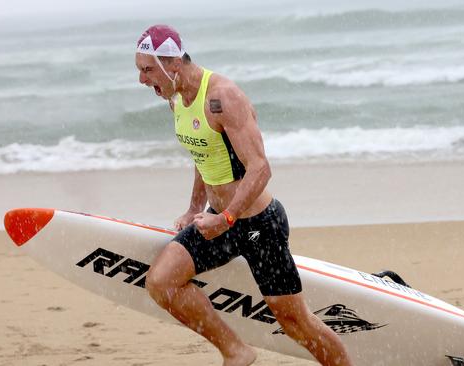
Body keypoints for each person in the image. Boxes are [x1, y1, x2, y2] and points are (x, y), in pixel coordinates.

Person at [135, 24, 353, 366]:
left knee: (296, 323)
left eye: (148, 70)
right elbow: (203, 154)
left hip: (258, 226)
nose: (143, 80)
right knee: (162, 283)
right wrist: (195, 207)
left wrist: (227, 217)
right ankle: (235, 351)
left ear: (173, 64)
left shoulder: (222, 98)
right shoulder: (178, 101)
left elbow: (260, 168)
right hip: (217, 220)